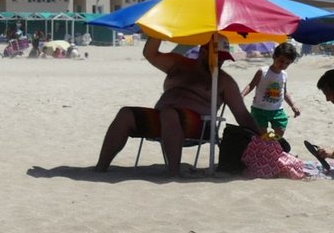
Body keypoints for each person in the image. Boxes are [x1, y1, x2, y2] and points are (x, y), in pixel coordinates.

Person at [95, 36, 260, 175]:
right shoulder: (179, 64)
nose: (220, 62)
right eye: (217, 57)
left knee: (170, 113)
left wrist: (262, 136)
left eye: (224, 59)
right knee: (126, 114)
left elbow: (242, 115)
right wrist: (157, 31)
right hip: (163, 118)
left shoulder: (224, 81)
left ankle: (173, 173)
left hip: (200, 126)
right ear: (203, 52)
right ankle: (100, 168)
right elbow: (150, 53)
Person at [242, 42, 300, 136]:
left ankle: (272, 145)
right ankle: (265, 146)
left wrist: (293, 105)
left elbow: (284, 92)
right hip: (259, 109)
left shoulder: (284, 75)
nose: (283, 65)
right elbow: (251, 85)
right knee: (261, 134)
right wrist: (242, 95)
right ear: (274, 57)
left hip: (277, 110)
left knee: (280, 130)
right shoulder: (263, 71)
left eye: (287, 63)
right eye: (281, 61)